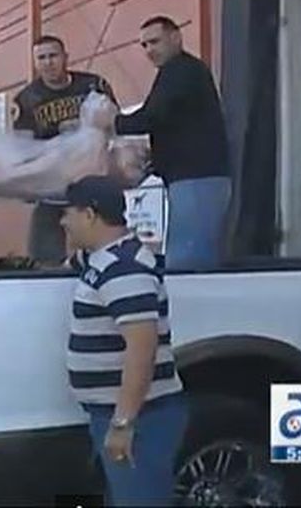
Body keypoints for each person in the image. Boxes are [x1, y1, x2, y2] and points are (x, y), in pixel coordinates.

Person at [58, 175, 188, 506]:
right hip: (119, 415)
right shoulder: (101, 259)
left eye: (68, 213)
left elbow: (141, 350)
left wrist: (123, 423)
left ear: (90, 215)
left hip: (142, 419)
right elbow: (68, 261)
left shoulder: (125, 269)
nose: (62, 221)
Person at [114, 16, 230, 271]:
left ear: (176, 37)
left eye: (154, 42)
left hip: (196, 178)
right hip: (192, 178)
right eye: (144, 45)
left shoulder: (180, 70)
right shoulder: (184, 71)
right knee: (191, 254)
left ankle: (192, 309)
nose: (149, 50)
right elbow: (174, 121)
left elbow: (154, 115)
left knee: (188, 262)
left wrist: (112, 123)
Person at [12, 35, 118, 267]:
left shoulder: (93, 85)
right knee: (45, 254)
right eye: (41, 58)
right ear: (34, 63)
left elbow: (116, 125)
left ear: (65, 57)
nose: (48, 63)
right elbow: (23, 147)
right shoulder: (26, 100)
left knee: (106, 246)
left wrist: (86, 126)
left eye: (53, 56)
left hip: (93, 183)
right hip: (52, 188)